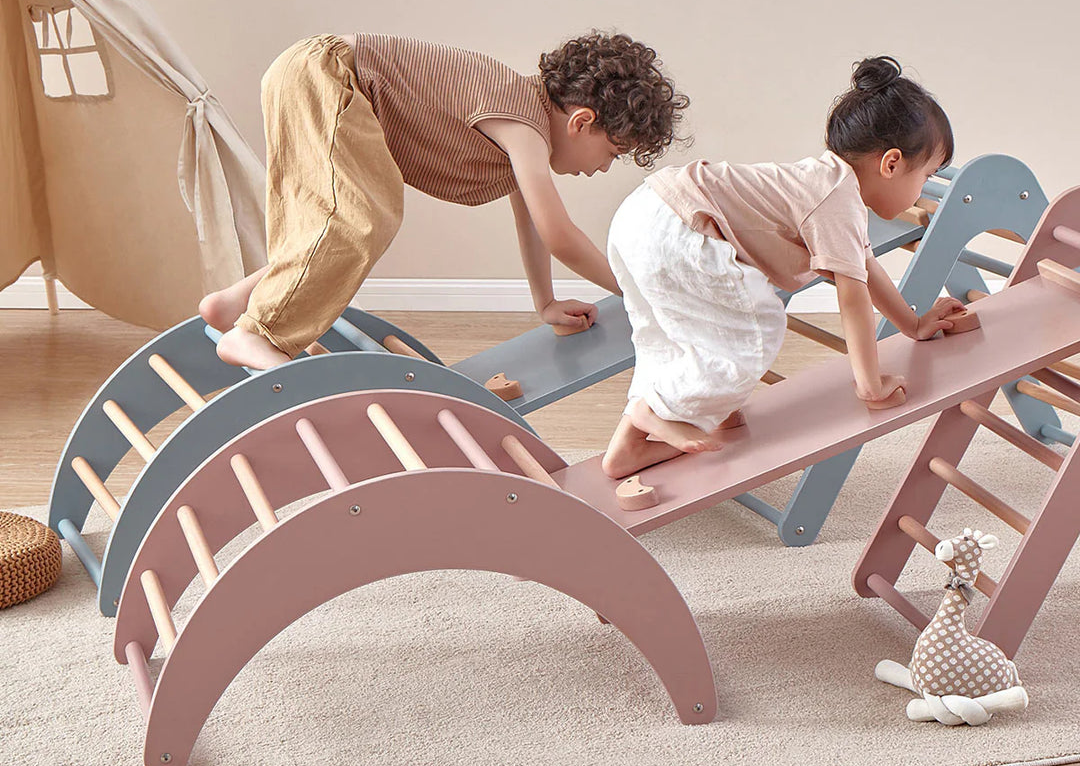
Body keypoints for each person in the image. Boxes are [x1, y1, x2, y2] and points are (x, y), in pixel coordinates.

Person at [200, 31, 689, 369]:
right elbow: (559, 235)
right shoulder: (524, 124)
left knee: (342, 222)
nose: (602, 168)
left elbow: (533, 224)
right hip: (328, 74)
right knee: (357, 220)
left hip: (319, 72)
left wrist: (545, 302)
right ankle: (256, 333)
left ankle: (234, 303)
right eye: (612, 153)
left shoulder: (522, 123)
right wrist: (638, 293)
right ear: (581, 122)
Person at [602, 55, 966, 480]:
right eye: (926, 177)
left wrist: (913, 325)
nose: (922, 191)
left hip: (643, 212)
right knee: (756, 331)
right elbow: (853, 299)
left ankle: (635, 441)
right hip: (677, 227)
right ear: (891, 164)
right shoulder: (838, 201)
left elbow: (865, 270)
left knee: (669, 335)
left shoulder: (828, 183)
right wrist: (871, 386)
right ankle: (650, 411)